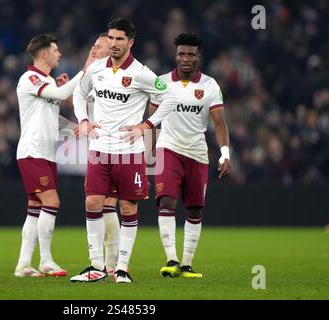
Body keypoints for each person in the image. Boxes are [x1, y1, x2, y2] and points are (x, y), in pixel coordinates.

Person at [70, 18, 175, 283]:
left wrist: (147, 125)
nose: (114, 44)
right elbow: (80, 94)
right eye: (111, 38)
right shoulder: (96, 68)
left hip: (130, 152)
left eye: (119, 39)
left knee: (128, 207)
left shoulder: (141, 73)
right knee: (92, 202)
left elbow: (171, 97)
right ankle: (95, 267)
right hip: (100, 149)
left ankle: (122, 267)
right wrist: (83, 119)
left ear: (130, 42)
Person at [150, 33, 231, 278]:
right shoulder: (161, 83)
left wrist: (225, 154)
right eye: (182, 54)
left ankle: (186, 264)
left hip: (197, 153)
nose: (186, 58)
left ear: (198, 57)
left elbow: (219, 124)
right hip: (168, 149)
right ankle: (171, 259)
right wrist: (147, 157)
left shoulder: (209, 85)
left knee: (194, 209)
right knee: (166, 201)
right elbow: (152, 122)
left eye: (190, 54)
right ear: (175, 56)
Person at [14, 34, 94, 278]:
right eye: (56, 50)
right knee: (52, 202)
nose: (59, 54)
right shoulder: (30, 78)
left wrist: (75, 127)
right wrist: (86, 68)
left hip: (46, 154)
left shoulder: (46, 81)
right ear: (44, 54)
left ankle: (24, 265)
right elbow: (60, 96)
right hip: (32, 151)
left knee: (35, 207)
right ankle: (46, 260)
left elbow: (52, 117)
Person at [73, 33, 120, 275]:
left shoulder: (118, 76)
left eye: (99, 46)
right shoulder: (90, 76)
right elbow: (76, 95)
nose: (94, 48)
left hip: (119, 148)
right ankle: (104, 264)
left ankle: (112, 264)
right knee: (98, 203)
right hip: (97, 149)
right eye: (93, 44)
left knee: (109, 203)